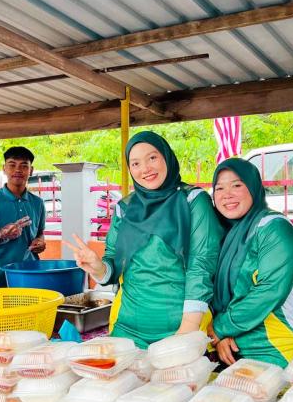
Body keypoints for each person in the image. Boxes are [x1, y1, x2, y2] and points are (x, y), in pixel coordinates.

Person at [64, 131, 223, 349]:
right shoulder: (125, 208)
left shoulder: (193, 200)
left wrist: (188, 329)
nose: (145, 169)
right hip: (127, 329)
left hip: (182, 327)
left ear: (167, 156)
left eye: (152, 158)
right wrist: (98, 268)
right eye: (135, 163)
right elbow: (113, 263)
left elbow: (201, 266)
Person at [208, 158, 293, 367]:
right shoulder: (224, 233)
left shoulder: (274, 228)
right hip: (234, 346)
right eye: (219, 188)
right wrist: (222, 336)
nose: (227, 194)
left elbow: (270, 290)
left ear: (253, 187)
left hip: (279, 346)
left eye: (236, 185)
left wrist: (220, 328)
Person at [0, 146, 46, 288]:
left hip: (30, 273)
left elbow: (40, 232)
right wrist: (0, 234)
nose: (18, 170)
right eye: (12, 165)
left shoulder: (38, 203)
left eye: (24, 166)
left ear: (31, 170)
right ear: (4, 169)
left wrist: (40, 241)